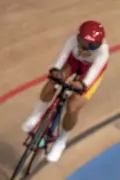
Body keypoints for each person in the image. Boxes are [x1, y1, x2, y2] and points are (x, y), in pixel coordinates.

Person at [22, 20, 109, 162]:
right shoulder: (72, 41)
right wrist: (56, 72)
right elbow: (61, 59)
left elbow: (92, 74)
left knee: (73, 106)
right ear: (78, 37)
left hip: (89, 71)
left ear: (99, 44)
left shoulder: (103, 52)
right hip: (73, 62)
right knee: (52, 83)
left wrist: (82, 84)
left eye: (93, 45)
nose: (88, 48)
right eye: (85, 43)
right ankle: (36, 116)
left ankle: (61, 142)